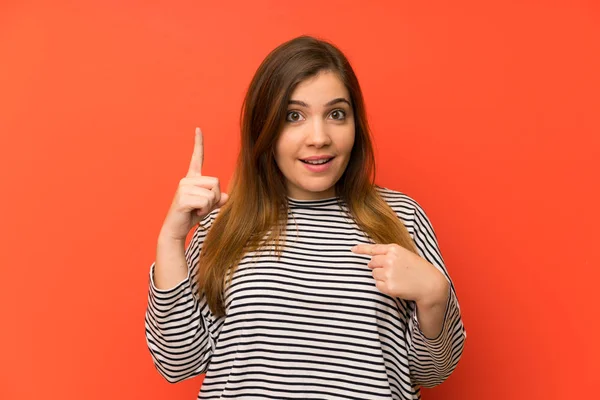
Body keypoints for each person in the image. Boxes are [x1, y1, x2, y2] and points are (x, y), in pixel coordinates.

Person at [145, 35, 466, 400]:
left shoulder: (401, 218)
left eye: (336, 114)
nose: (319, 137)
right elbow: (177, 362)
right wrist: (170, 242)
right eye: (293, 116)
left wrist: (435, 297)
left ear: (355, 126)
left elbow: (433, 371)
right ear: (265, 129)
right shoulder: (224, 225)